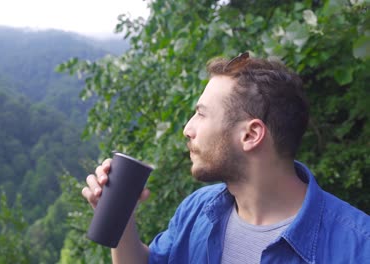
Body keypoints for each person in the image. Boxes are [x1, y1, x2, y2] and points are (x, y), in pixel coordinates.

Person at [82, 52, 370, 264]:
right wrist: (122, 217)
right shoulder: (198, 209)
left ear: (250, 135)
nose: (187, 129)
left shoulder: (358, 248)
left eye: (201, 114)